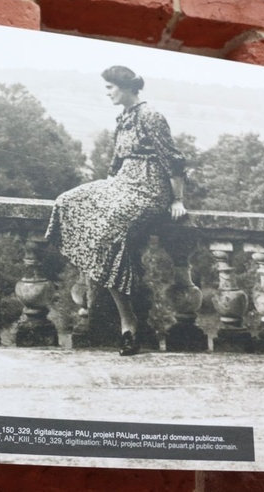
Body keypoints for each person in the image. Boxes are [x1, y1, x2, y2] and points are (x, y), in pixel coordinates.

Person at [46, 65, 187, 356]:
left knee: (111, 233)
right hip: (122, 183)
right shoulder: (123, 117)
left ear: (125, 87)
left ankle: (128, 321)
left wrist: (178, 199)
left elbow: (173, 160)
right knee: (66, 202)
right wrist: (107, 187)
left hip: (150, 189)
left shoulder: (151, 116)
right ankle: (92, 263)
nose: (107, 92)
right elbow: (115, 161)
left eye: (110, 87)